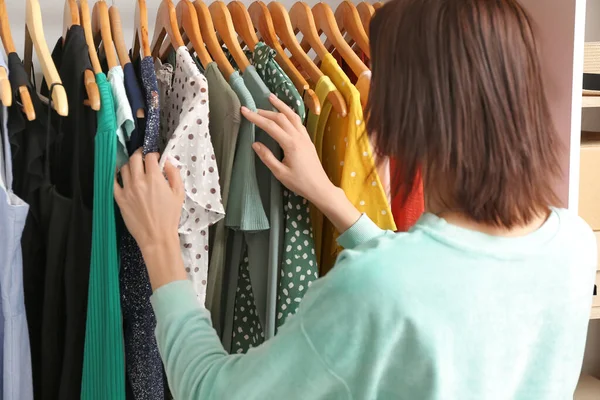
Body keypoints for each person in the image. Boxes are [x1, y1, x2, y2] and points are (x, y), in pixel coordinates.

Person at [114, 0, 597, 398]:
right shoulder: (572, 244)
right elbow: (441, 284)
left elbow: (213, 391)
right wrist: (327, 193)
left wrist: (160, 245)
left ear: (408, 113)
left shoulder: (374, 290)